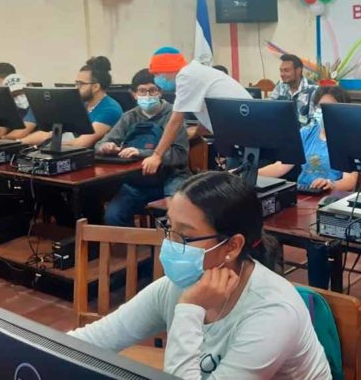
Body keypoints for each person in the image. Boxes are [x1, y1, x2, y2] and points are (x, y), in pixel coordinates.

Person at [69, 171, 332, 380]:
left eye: (185, 236)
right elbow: (98, 339)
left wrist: (189, 310)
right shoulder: (179, 285)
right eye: (168, 228)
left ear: (232, 246)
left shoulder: (272, 312)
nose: (169, 244)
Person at [96, 69, 190, 227]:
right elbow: (100, 145)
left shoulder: (173, 116)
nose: (148, 95)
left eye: (152, 90)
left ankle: (169, 249)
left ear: (160, 92)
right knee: (113, 216)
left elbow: (179, 155)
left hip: (171, 178)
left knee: (175, 218)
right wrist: (107, 146)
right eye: (142, 91)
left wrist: (141, 153)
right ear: (133, 94)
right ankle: (131, 249)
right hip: (137, 182)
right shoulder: (129, 117)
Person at [142, 47, 251, 176]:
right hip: (241, 138)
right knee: (234, 184)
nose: (156, 79)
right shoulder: (195, 73)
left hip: (248, 139)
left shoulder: (185, 76)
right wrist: (193, 135)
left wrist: (157, 155)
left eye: (156, 74)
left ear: (168, 69)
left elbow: (175, 120)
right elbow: (205, 116)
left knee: (239, 186)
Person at [258, 86, 358, 192]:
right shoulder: (305, 133)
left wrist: (330, 184)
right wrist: (250, 173)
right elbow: (281, 166)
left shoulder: (349, 139)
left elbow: (350, 182)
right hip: (303, 192)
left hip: (331, 197)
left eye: (330, 106)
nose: (324, 111)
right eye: (320, 106)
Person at [21, 56, 123, 148]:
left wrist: (46, 146)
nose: (76, 88)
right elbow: (50, 133)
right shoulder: (78, 104)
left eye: (81, 84)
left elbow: (81, 143)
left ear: (96, 86)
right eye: (76, 83)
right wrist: (18, 143)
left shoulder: (110, 109)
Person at [269, 54, 318, 126]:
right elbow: (269, 108)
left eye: (286, 70)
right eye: (281, 71)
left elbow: (314, 122)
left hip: (303, 134)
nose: (282, 74)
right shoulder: (280, 86)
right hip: (281, 130)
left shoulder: (313, 90)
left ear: (298, 70)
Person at [0, 74, 37, 140]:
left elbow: (21, 132)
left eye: (21, 92)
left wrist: (3, 138)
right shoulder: (11, 107)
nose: (19, 97)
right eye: (14, 95)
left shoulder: (36, 104)